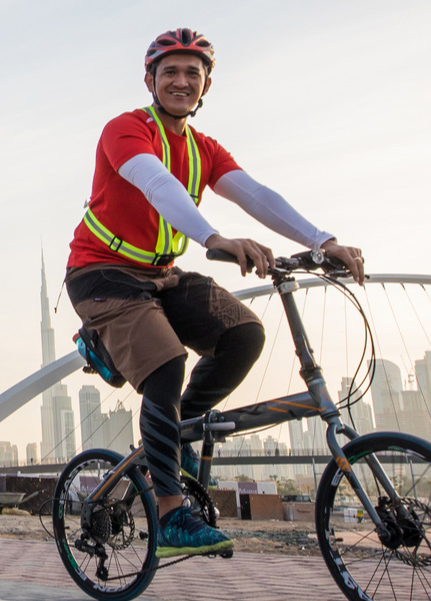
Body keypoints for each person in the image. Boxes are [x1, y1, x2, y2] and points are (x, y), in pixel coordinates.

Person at [65, 29, 365, 557]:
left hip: (161, 274)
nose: (181, 81)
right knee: (165, 361)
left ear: (205, 86)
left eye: (192, 74)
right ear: (150, 80)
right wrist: (214, 237)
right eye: (170, 72)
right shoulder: (126, 129)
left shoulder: (204, 149)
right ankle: (171, 516)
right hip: (102, 273)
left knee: (244, 333)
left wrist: (323, 241)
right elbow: (158, 185)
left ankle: (170, 435)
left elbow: (255, 195)